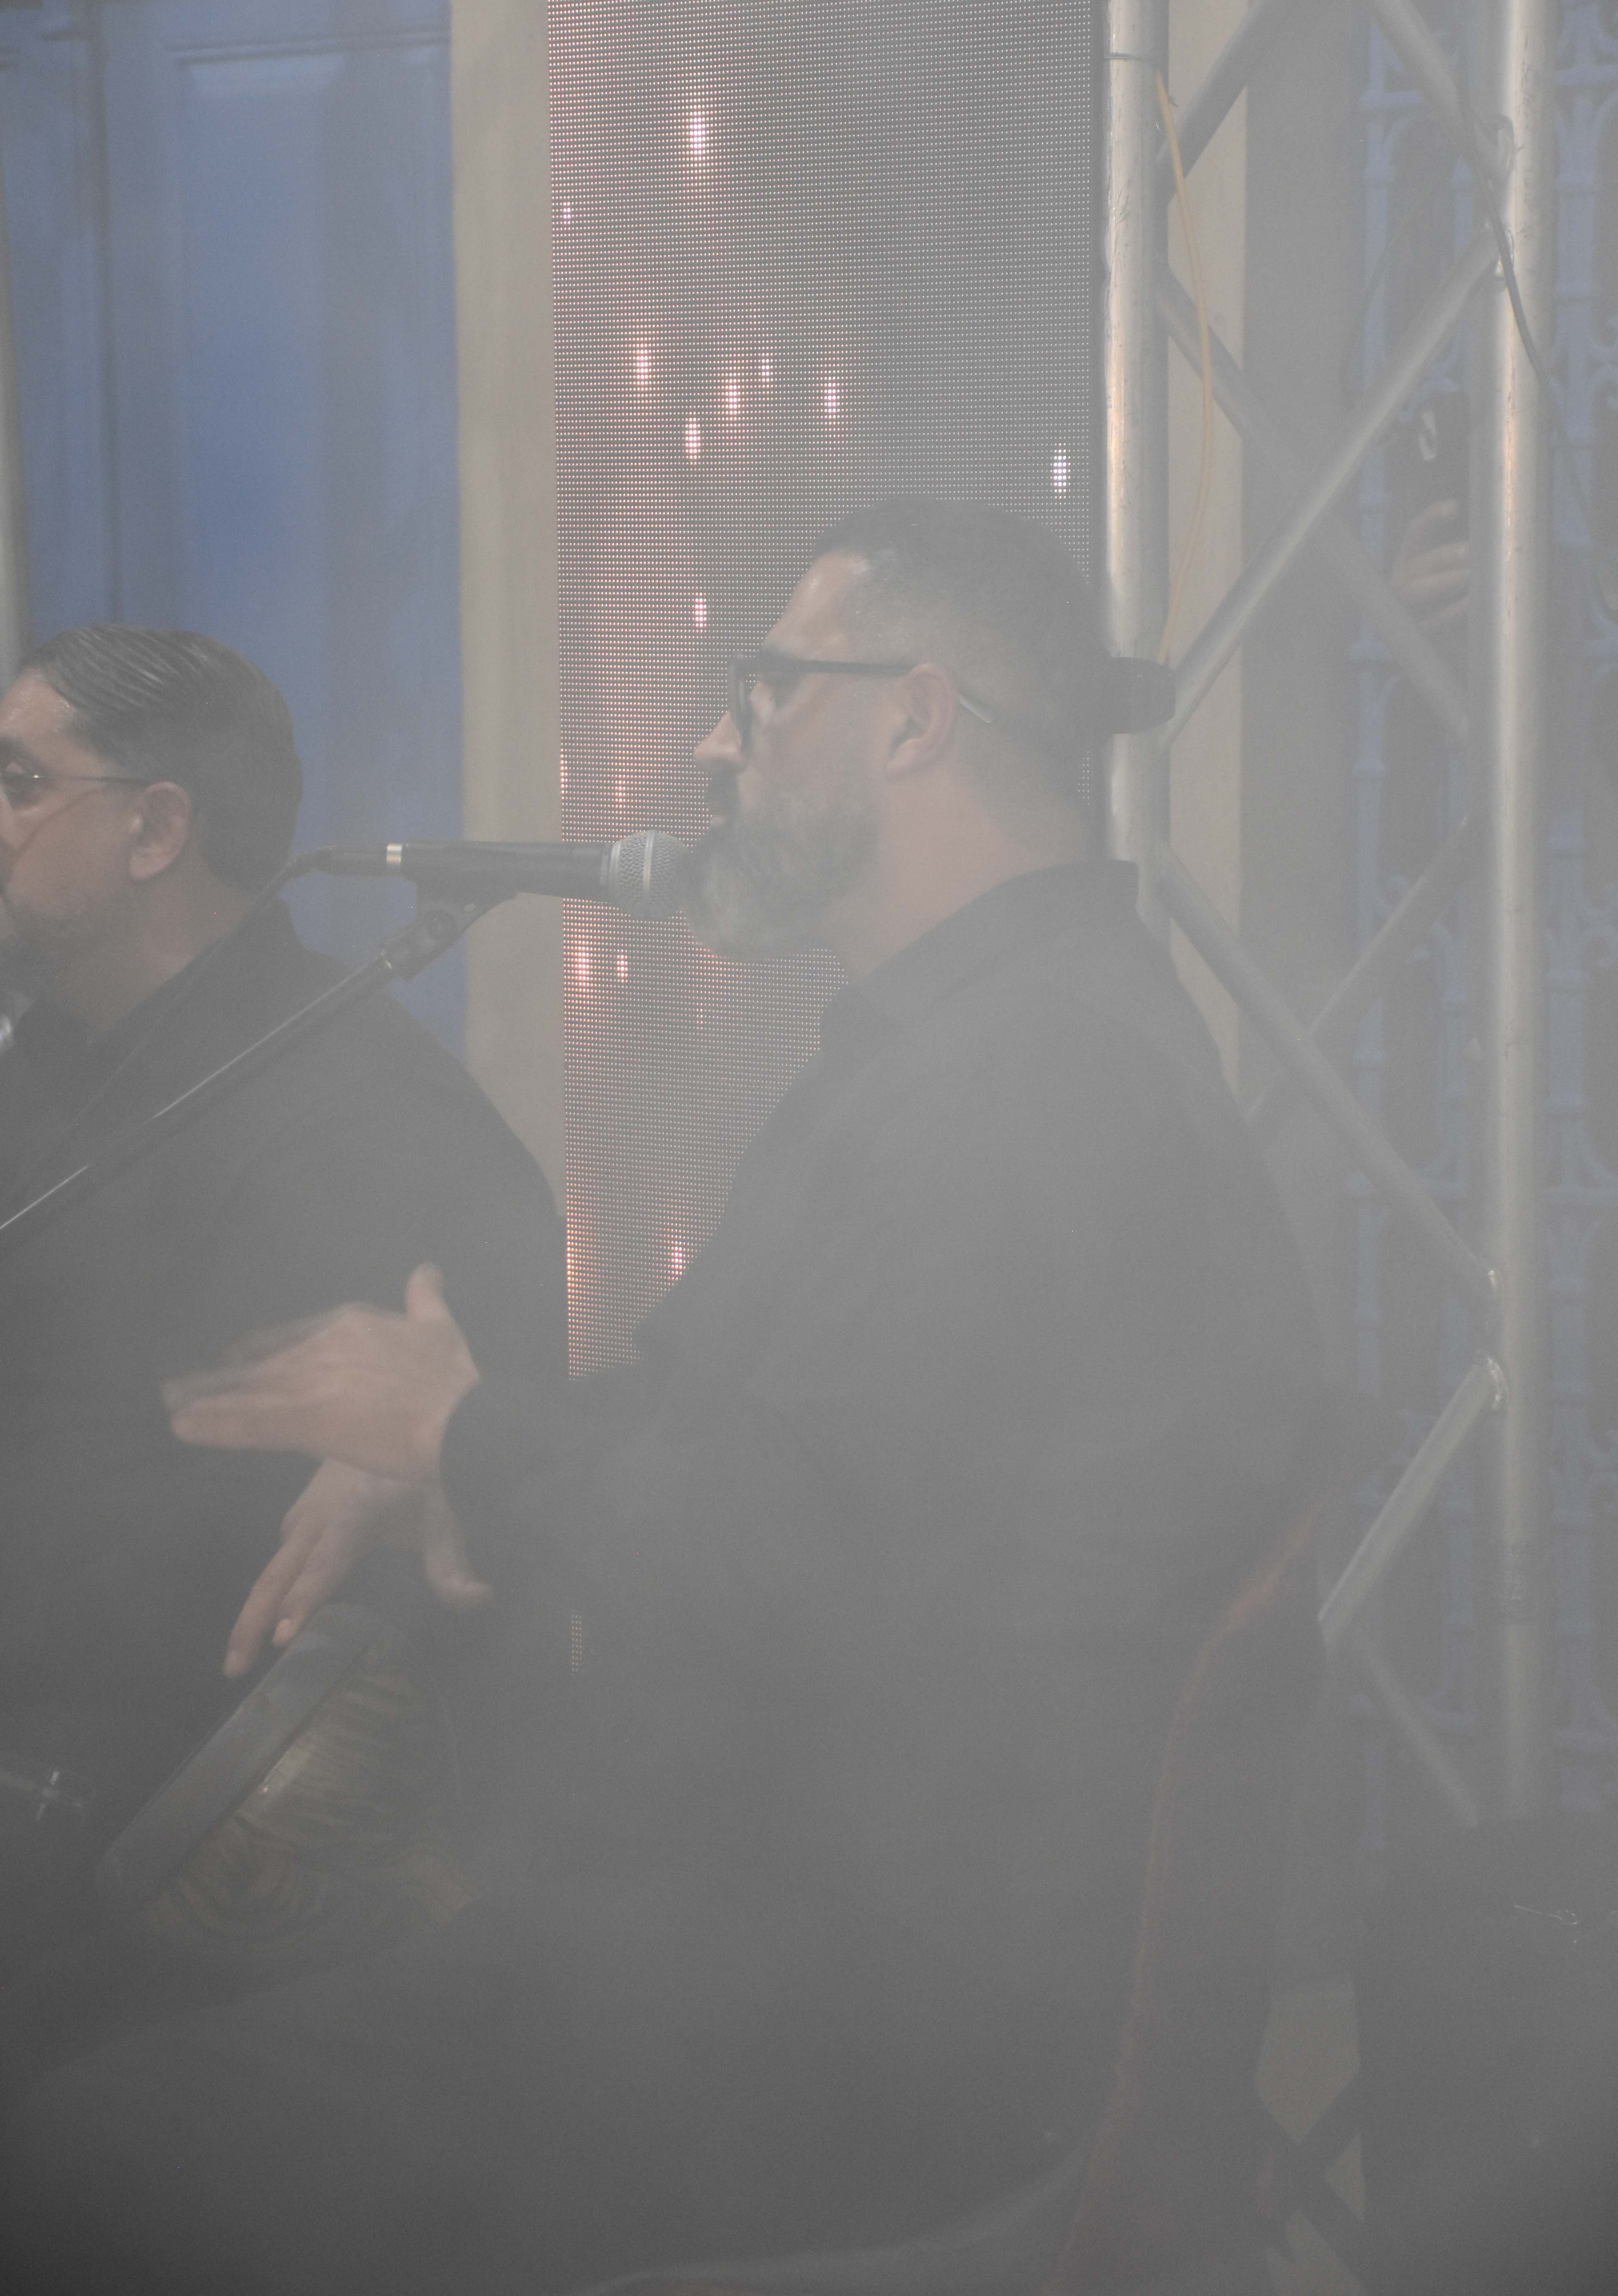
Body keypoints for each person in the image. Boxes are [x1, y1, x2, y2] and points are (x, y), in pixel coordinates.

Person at [1, 508, 1321, 2294]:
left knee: (89, 2161)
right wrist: (444, 1459)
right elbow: (736, 1430)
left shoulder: (1036, 1093)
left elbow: (797, 1569)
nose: (713, 741)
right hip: (762, 1938)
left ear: (914, 717)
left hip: (859, 2023)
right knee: (103, 2047)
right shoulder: (967, 1047)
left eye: (763, 691)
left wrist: (465, 1430)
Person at [0, 625, 565, 1977]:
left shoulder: (363, 1122)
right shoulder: (57, 1047)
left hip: (169, 1857)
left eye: (21, 782)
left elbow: (236, 1570)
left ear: (157, 830)